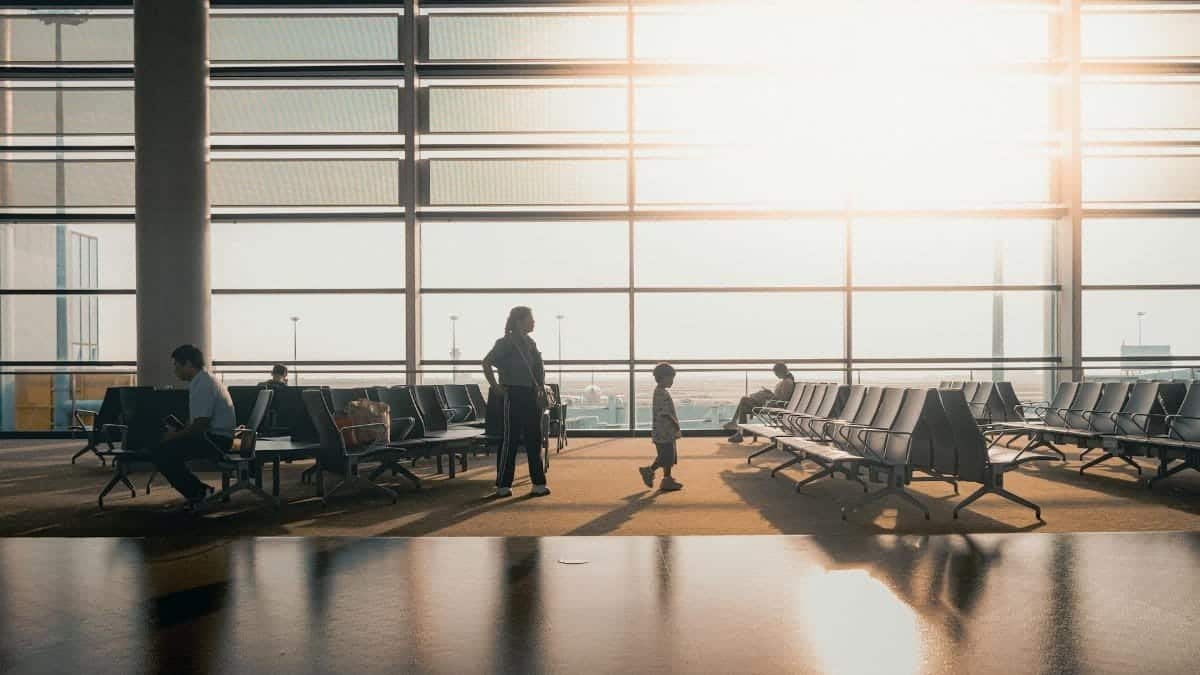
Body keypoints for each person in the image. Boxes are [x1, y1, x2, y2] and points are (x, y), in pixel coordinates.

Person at [149, 344, 236, 511]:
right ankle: (198, 491)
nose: (175, 370)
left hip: (216, 441)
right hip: (215, 437)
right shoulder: (204, 380)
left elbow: (201, 425)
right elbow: (199, 423)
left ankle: (199, 492)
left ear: (188, 364)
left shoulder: (202, 384)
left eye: (176, 365)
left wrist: (173, 436)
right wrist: (180, 432)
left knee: (161, 451)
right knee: (166, 449)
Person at [482, 306, 550, 498]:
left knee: (534, 439)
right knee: (510, 439)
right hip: (513, 394)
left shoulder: (530, 343)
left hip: (531, 395)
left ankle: (538, 483)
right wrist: (495, 386)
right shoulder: (506, 343)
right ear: (520, 321)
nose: (534, 322)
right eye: (531, 318)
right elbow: (486, 363)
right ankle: (504, 485)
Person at [724, 362, 795, 443]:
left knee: (744, 399)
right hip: (770, 404)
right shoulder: (786, 381)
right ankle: (739, 433)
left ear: (781, 371)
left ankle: (736, 426)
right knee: (743, 407)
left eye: (776, 373)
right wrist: (769, 393)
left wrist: (770, 398)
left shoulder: (787, 383)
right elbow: (779, 397)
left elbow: (782, 400)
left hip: (772, 406)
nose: (776, 376)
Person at [640, 362, 683, 492]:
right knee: (666, 456)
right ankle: (649, 470)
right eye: (671, 378)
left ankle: (667, 479)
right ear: (663, 378)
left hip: (663, 431)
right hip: (664, 431)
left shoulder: (660, 391)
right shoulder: (661, 393)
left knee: (668, 456)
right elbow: (665, 414)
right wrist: (676, 426)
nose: (672, 381)